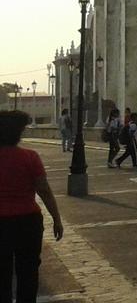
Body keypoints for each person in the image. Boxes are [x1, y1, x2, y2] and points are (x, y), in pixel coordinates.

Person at [0, 110, 64, 303]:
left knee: (1, 274)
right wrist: (56, 218)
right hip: (27, 222)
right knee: (28, 272)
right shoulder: (30, 157)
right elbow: (43, 190)